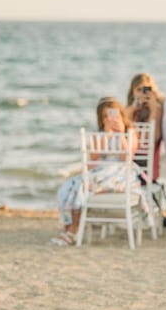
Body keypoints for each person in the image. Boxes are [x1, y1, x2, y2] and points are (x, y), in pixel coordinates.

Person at [52, 98, 145, 247]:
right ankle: (69, 228)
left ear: (121, 115)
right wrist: (106, 135)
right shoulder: (99, 135)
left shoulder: (130, 132)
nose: (110, 119)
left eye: (113, 115)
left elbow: (127, 158)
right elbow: (93, 159)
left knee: (83, 186)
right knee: (71, 186)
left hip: (121, 170)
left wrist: (120, 134)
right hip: (100, 169)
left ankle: (73, 231)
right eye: (106, 116)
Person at [124, 72, 164, 180]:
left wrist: (153, 110)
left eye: (146, 90)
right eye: (138, 90)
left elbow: (151, 138)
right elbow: (122, 133)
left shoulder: (157, 109)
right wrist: (133, 108)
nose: (142, 93)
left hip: (147, 165)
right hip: (129, 159)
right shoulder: (130, 110)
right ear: (132, 92)